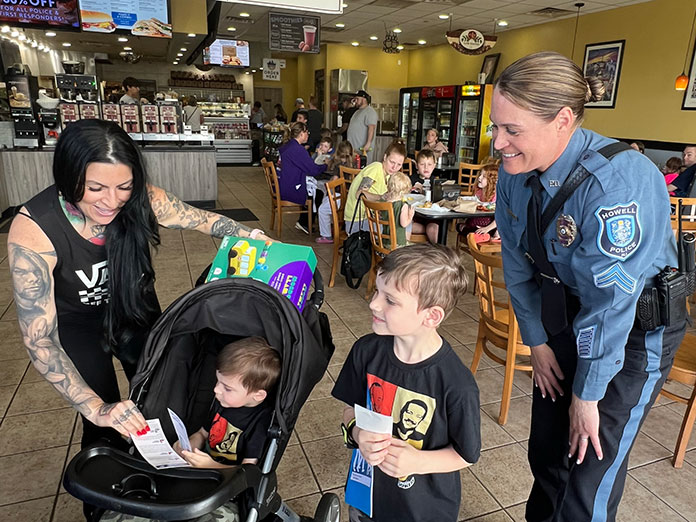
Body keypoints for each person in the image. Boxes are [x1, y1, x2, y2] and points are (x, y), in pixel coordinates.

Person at [8, 119, 271, 520]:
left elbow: (202, 220)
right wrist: (98, 408)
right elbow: (39, 339)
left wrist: (252, 237)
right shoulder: (34, 230)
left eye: (123, 187)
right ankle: (102, 510)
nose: (111, 201)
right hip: (78, 327)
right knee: (105, 422)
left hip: (135, 311)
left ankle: (163, 493)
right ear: (68, 175)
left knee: (161, 401)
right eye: (95, 188)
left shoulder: (142, 198)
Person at [493, 51, 686, 522]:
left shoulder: (619, 184)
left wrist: (589, 394)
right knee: (547, 454)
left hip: (634, 332)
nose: (498, 142)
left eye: (512, 129)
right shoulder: (514, 169)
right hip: (565, 318)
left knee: (588, 475)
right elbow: (517, 263)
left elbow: (612, 302)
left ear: (563, 120)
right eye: (495, 126)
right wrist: (536, 343)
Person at [331, 243, 481, 522]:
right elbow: (350, 409)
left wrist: (418, 461)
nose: (373, 303)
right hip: (368, 498)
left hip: (422, 510)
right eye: (377, 291)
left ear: (431, 315)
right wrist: (356, 433)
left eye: (390, 299)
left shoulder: (457, 384)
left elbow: (466, 454)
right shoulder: (365, 351)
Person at [101, 336, 281, 522]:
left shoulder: (260, 421)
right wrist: (191, 441)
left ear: (258, 395)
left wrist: (212, 466)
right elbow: (204, 433)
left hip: (226, 487)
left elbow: (248, 470)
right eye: (217, 381)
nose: (216, 390)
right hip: (197, 473)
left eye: (226, 387)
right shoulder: (223, 403)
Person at [343, 141, 405, 234]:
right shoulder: (376, 168)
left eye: (399, 165)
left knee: (402, 224)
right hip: (357, 221)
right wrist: (381, 197)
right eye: (392, 162)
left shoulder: (388, 176)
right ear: (385, 157)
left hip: (370, 217)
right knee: (396, 229)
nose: (394, 167)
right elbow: (359, 194)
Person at [277, 122, 327, 234]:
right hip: (291, 188)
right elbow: (312, 170)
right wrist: (326, 165)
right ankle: (304, 223)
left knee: (314, 190)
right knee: (318, 194)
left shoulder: (288, 145)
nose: (308, 135)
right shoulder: (298, 149)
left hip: (283, 184)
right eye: (306, 132)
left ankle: (304, 221)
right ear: (301, 133)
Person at [315, 141, 354, 245]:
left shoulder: (339, 166)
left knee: (322, 209)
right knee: (326, 201)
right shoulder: (354, 164)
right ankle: (333, 227)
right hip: (350, 199)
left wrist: (328, 183)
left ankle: (326, 235)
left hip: (338, 197)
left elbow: (334, 182)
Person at [456, 162, 499, 240]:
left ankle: (481, 235)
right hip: (474, 223)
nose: (479, 178)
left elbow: (501, 217)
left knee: (469, 231)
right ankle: (475, 234)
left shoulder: (496, 196)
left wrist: (487, 228)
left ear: (492, 180)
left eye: (483, 176)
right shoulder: (479, 192)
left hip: (488, 226)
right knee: (459, 226)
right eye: (480, 175)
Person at [409, 150, 439, 243]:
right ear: (417, 165)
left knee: (433, 228)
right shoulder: (410, 180)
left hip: (430, 217)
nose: (426, 167)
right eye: (422, 164)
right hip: (413, 216)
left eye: (429, 164)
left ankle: (436, 251)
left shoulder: (436, 182)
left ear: (434, 165)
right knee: (404, 225)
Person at [380, 172, 415, 247]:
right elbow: (404, 224)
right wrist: (410, 216)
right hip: (398, 243)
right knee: (416, 249)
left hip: (384, 242)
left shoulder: (383, 202)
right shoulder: (403, 205)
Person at [347, 90, 379, 164]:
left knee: (363, 169)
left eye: (357, 99)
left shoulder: (370, 111)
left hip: (362, 149)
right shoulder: (357, 112)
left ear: (364, 99)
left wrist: (368, 144)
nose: (356, 101)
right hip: (354, 149)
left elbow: (371, 128)